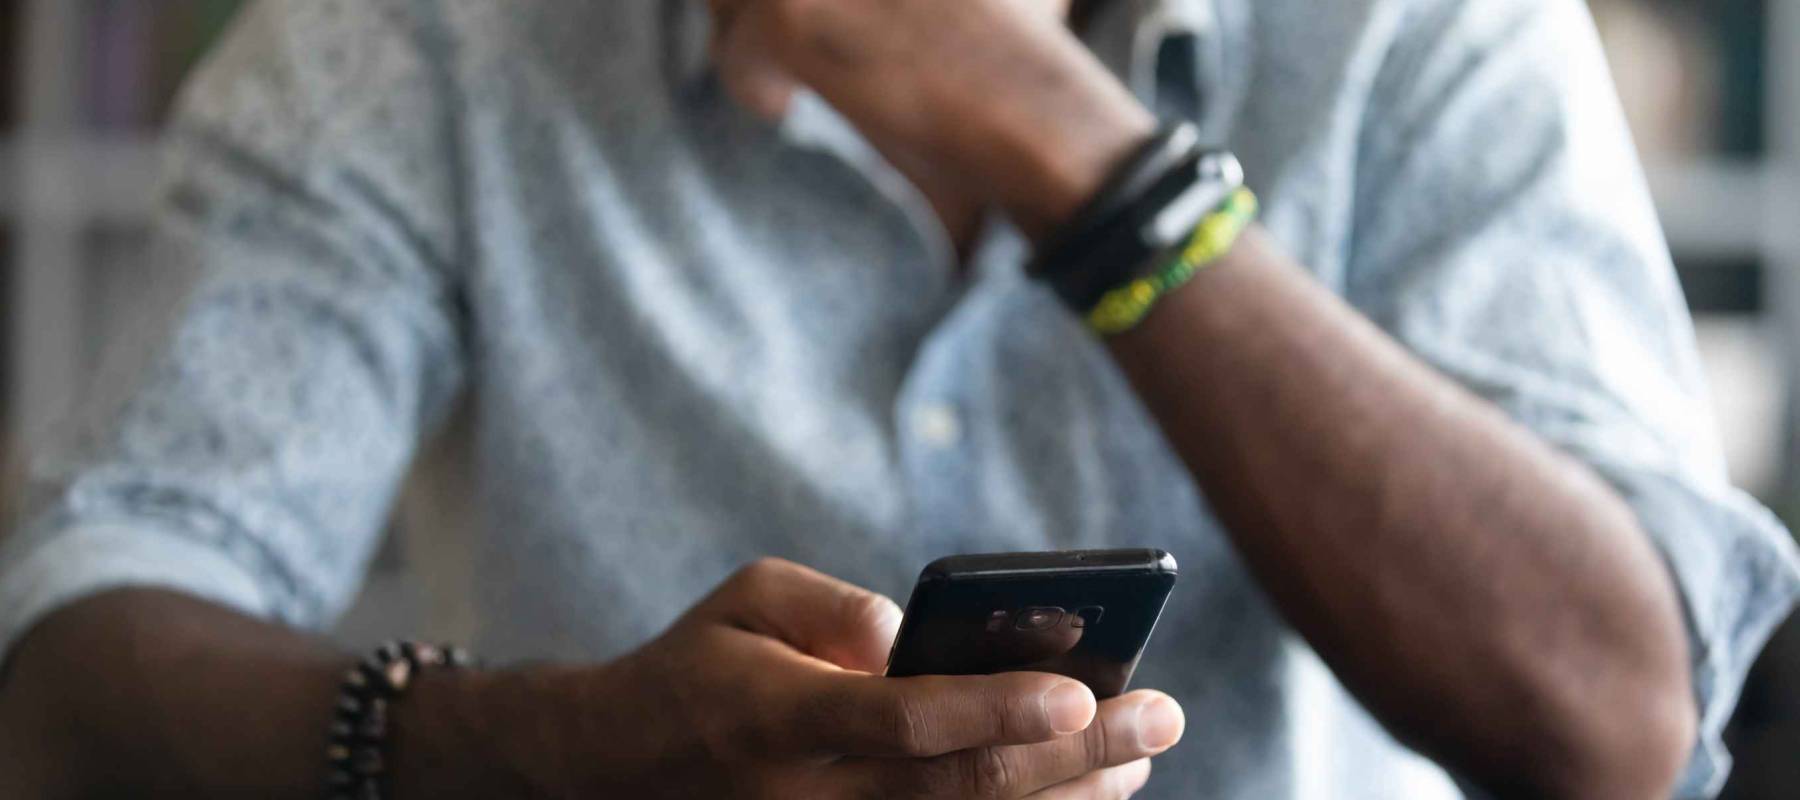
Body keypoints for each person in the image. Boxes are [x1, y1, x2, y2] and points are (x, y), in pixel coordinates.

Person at [1, 0, 1796, 797]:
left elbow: (1617, 723)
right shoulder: (416, 43)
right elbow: (78, 665)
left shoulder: (1417, 29)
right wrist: (549, 751)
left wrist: (1088, 162)